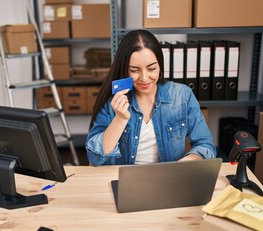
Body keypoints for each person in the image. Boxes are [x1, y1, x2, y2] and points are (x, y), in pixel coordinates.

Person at [85, 29, 216, 166]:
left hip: (169, 179)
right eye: (134, 70)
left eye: (151, 68)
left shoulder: (182, 95)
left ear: (160, 66)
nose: (144, 78)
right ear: (124, 69)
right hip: (125, 181)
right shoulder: (113, 101)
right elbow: (94, 158)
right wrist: (120, 119)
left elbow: (205, 145)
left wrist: (182, 166)